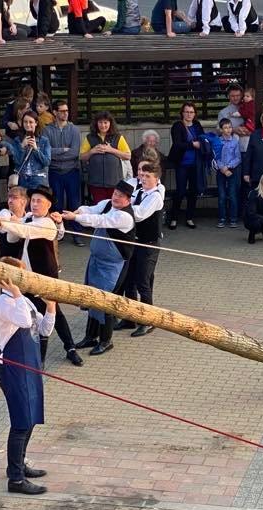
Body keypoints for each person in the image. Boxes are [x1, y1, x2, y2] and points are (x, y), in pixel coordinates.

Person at [0, 189, 86, 366]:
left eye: (39, 201)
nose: (34, 204)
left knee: (51, 314)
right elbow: (12, 238)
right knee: (20, 312)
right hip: (25, 279)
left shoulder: (47, 223)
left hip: (44, 277)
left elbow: (27, 231)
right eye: (33, 200)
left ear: (48, 205)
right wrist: (5, 222)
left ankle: (64, 351)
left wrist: (2, 222)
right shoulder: (27, 219)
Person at [0, 256, 55, 495]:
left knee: (30, 418)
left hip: (30, 366)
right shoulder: (4, 302)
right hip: (12, 368)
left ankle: (19, 463)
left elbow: (43, 329)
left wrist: (50, 307)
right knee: (21, 422)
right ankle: (15, 479)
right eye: (20, 275)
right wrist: (17, 294)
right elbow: (20, 320)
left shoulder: (25, 301)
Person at [63, 182, 136, 356]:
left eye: (120, 196)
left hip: (113, 267)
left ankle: (106, 340)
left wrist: (75, 219)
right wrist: (77, 212)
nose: (115, 198)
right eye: (115, 193)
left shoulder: (124, 217)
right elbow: (92, 210)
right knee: (91, 298)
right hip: (97, 262)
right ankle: (90, 336)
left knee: (105, 302)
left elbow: (101, 220)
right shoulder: (107, 203)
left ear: (128, 200)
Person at [113, 162, 164, 337]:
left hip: (148, 244)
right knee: (129, 281)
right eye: (142, 176)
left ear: (157, 180)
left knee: (143, 281)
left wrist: (122, 208)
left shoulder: (156, 196)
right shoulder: (138, 192)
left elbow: (140, 214)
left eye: (148, 177)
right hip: (134, 242)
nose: (143, 179)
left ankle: (148, 321)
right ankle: (130, 318)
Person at [43, 100, 84, 245]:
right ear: (54, 112)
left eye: (66, 110)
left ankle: (77, 234)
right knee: (56, 203)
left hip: (71, 171)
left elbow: (74, 153)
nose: (65, 113)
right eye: (62, 111)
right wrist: (62, 150)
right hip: (54, 172)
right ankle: (57, 233)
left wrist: (57, 153)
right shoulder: (47, 130)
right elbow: (46, 152)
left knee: (75, 203)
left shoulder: (74, 130)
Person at [80, 111, 131, 205]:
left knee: (114, 208)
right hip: (96, 183)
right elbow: (82, 157)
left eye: (105, 122)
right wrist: (92, 151)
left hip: (114, 183)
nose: (103, 125)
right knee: (99, 208)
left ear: (110, 123)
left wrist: (111, 150)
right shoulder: (90, 138)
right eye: (100, 122)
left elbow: (128, 156)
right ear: (96, 124)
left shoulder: (118, 137)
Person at [6, 111, 52, 189]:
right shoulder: (17, 140)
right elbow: (16, 161)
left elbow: (47, 162)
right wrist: (22, 147)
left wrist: (36, 149)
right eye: (25, 122)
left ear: (36, 123)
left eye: (31, 122)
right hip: (22, 179)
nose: (28, 125)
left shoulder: (44, 141)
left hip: (38, 179)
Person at [215, 119, 242, 228]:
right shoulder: (217, 141)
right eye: (225, 128)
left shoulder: (235, 141)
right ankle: (222, 218)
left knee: (232, 195)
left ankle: (233, 218)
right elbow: (215, 157)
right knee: (221, 195)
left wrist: (229, 167)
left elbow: (238, 158)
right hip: (221, 171)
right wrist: (222, 168)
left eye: (230, 127)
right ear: (221, 129)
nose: (228, 130)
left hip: (232, 171)